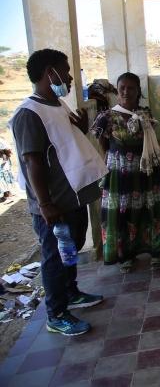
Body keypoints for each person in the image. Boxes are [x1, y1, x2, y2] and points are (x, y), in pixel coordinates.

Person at [9, 49, 106, 336]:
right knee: (54, 256)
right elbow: (32, 161)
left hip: (73, 195)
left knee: (71, 247)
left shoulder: (57, 104)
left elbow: (66, 144)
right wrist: (45, 203)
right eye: (65, 71)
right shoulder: (29, 113)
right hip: (52, 203)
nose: (70, 77)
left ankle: (71, 292)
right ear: (49, 72)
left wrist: (83, 128)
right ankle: (56, 314)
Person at [91, 72, 160, 273]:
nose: (126, 92)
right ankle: (126, 255)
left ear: (138, 91)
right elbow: (103, 145)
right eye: (122, 88)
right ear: (117, 90)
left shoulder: (145, 113)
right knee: (122, 212)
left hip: (145, 171)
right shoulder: (107, 116)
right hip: (119, 173)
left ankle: (155, 251)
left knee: (149, 209)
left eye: (131, 88)